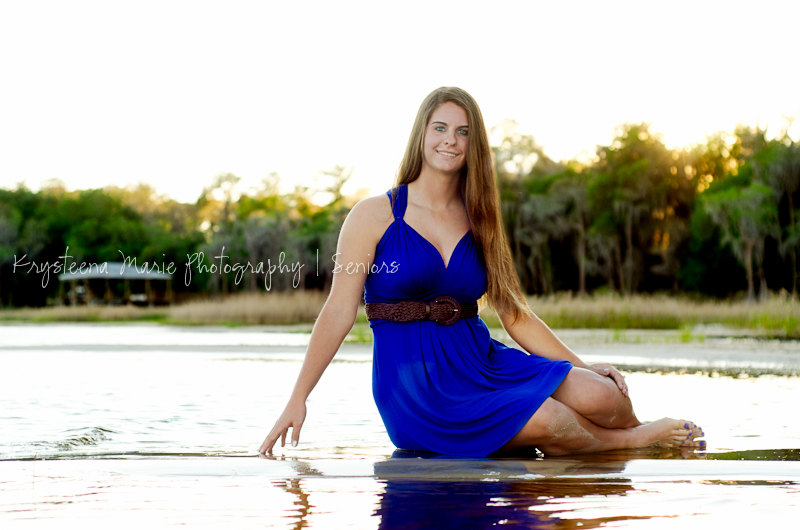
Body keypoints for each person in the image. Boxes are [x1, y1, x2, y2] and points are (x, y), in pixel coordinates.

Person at [259, 87, 705, 457]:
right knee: (552, 419)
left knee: (601, 394)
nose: (450, 140)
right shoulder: (371, 216)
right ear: (421, 135)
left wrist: (583, 367)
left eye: (463, 132)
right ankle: (637, 441)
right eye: (440, 128)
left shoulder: (481, 218)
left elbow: (514, 314)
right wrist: (298, 397)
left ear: (474, 144)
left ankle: (630, 434)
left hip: (479, 360)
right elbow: (338, 310)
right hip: (417, 386)